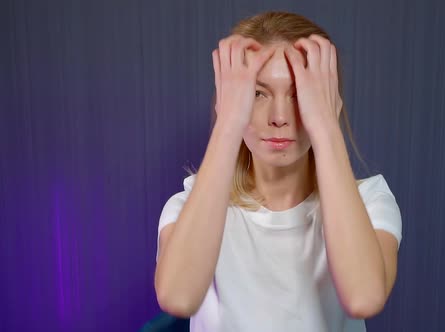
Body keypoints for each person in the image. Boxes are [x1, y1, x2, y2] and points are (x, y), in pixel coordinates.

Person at [154, 11, 402, 332]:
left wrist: (326, 125)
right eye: (258, 93)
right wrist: (228, 121)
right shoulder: (190, 207)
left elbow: (364, 298)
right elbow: (178, 297)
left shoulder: (370, 203)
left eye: (300, 95)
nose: (280, 117)